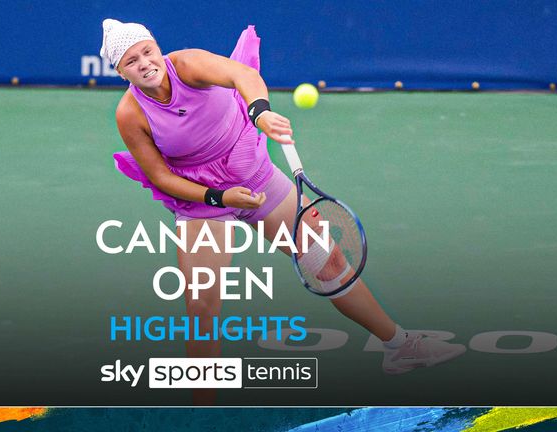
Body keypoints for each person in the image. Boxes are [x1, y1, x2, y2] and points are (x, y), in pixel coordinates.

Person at [101, 19, 465, 404]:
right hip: (201, 197)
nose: (144, 63)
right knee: (201, 302)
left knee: (326, 263)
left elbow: (241, 75)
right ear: (120, 71)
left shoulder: (187, 64)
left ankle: (398, 346)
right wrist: (219, 198)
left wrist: (260, 113)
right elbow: (159, 176)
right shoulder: (130, 114)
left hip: (252, 170)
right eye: (130, 61)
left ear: (157, 47)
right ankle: (203, 405)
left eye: (146, 51)